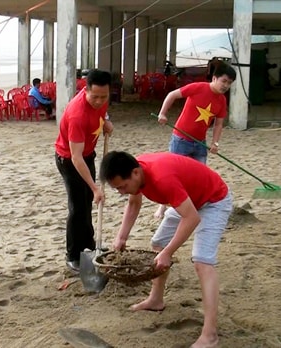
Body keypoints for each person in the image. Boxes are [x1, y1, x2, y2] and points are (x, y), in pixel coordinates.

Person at [99, 151, 233, 348]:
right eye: (117, 188)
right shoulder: (136, 173)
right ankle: (156, 300)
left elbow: (192, 218)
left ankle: (210, 335)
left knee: (202, 262)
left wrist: (168, 253)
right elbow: (134, 203)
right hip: (188, 200)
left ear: (135, 173)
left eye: (123, 186)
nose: (122, 192)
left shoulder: (162, 178)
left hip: (213, 201)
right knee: (158, 244)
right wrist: (121, 236)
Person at [154, 61, 236, 218]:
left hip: (199, 142)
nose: (225, 85)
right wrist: (163, 113)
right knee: (172, 175)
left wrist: (215, 143)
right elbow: (172, 95)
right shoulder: (199, 87)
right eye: (223, 81)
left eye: (229, 83)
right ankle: (162, 208)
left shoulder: (222, 101)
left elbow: (218, 124)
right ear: (214, 78)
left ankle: (196, 204)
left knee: (201, 175)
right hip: (180, 139)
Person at [54, 69, 114, 272]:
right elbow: (75, 157)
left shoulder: (102, 99)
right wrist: (96, 187)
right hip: (69, 160)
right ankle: (72, 255)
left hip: (87, 154)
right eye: (94, 97)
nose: (99, 101)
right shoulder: (77, 114)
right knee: (78, 207)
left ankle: (88, 245)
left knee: (87, 202)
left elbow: (102, 111)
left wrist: (105, 121)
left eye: (103, 97)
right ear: (85, 90)